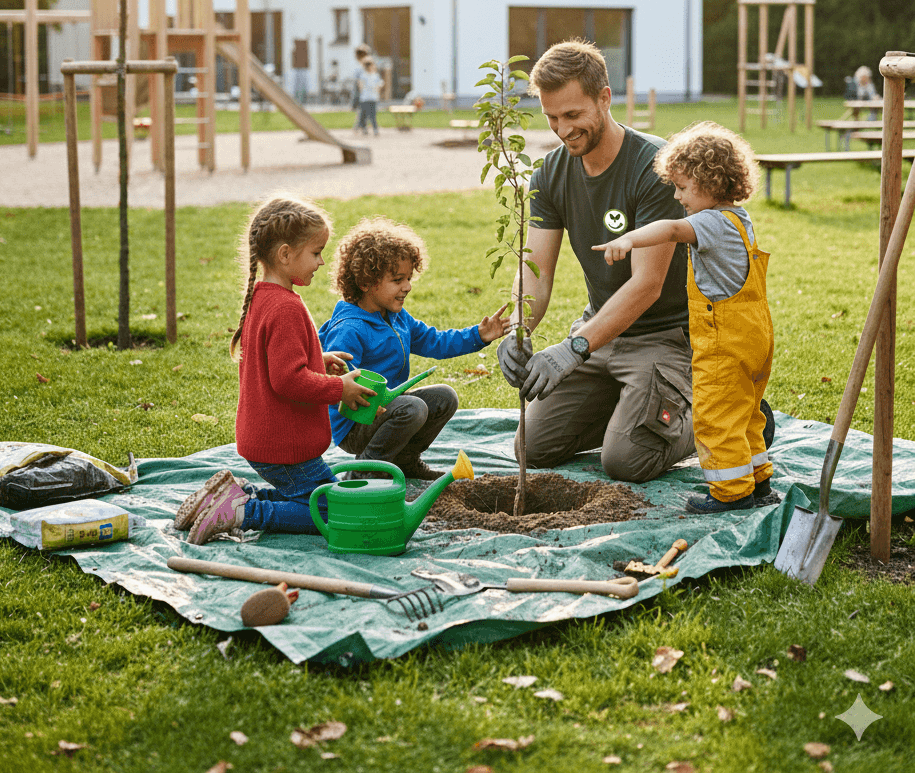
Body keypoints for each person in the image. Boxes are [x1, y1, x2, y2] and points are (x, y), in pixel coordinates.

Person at [494, 40, 699, 483]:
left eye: (573, 115)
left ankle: (723, 416)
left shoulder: (654, 169)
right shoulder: (549, 174)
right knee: (533, 447)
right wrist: (519, 329)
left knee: (626, 461)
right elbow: (537, 271)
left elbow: (647, 286)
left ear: (604, 98)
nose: (562, 129)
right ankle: (629, 406)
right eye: (552, 117)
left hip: (661, 337)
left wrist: (573, 348)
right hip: (599, 335)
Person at [593, 122, 778, 513]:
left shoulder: (708, 223)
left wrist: (629, 238)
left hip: (723, 344)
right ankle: (759, 482)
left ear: (710, 183)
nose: (677, 196)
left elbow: (673, 229)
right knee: (745, 413)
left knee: (714, 417)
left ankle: (732, 493)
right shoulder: (739, 219)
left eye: (682, 187)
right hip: (755, 336)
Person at [175, 195, 373, 545]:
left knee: (310, 495)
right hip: (285, 446)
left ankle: (230, 495)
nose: (321, 261)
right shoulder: (285, 308)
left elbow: (276, 362)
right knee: (329, 510)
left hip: (266, 439)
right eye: (315, 252)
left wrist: (318, 359)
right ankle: (242, 512)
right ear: (284, 254)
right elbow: (287, 380)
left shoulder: (263, 297)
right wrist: (337, 387)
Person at [318, 217, 509, 479]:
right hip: (355, 423)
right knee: (413, 408)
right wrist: (366, 401)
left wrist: (479, 335)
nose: (407, 286)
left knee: (444, 397)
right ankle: (364, 471)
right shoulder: (349, 328)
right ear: (365, 283)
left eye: (408, 277)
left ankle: (405, 461)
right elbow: (333, 376)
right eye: (397, 279)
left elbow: (435, 341)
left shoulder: (396, 317)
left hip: (389, 409)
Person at [356, 58, 382, 136]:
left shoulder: (375, 75)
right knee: (363, 114)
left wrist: (377, 91)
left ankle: (375, 129)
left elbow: (379, 85)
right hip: (365, 98)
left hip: (373, 98)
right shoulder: (363, 75)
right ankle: (363, 128)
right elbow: (360, 85)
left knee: (372, 114)